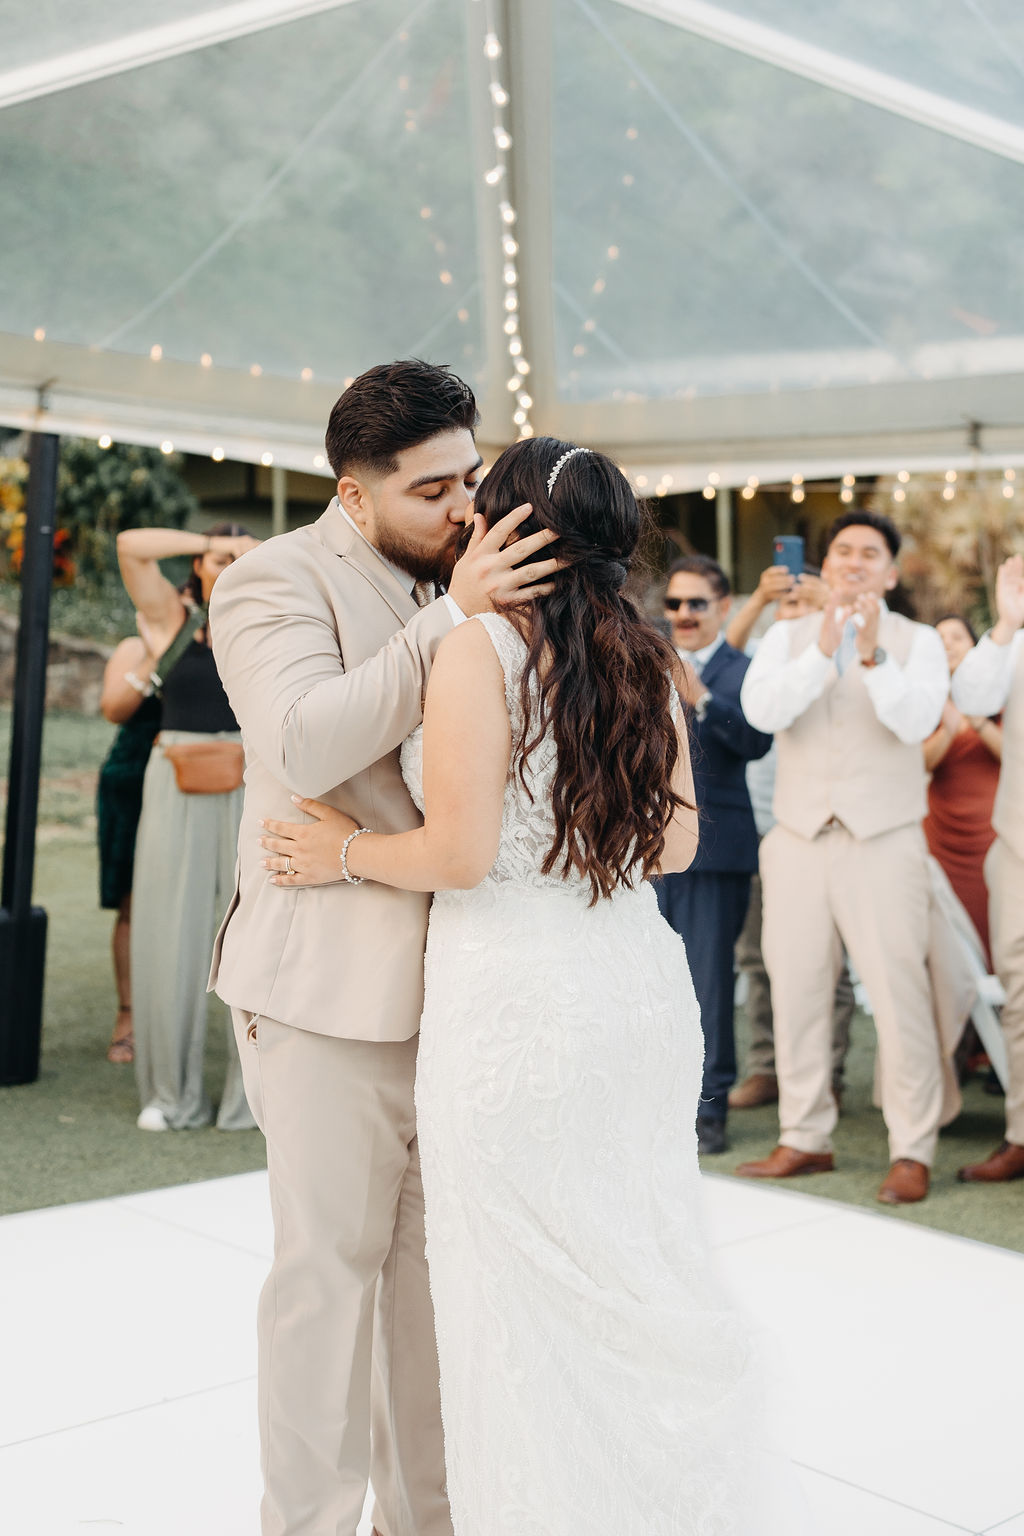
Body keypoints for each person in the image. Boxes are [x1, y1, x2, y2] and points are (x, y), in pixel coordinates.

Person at [256, 436, 799, 1535]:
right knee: (623, 1263)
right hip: (629, 989)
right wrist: (578, 829)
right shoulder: (648, 654)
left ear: (514, 530)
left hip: (511, 996)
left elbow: (458, 856)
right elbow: (681, 844)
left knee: (519, 1294)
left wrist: (340, 856)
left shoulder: (474, 651)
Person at [208, 361, 562, 1536]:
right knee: (326, 1287)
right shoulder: (274, 580)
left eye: (470, 476)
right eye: (431, 490)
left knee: (429, 1294)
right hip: (326, 1001)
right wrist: (458, 618)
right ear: (354, 497)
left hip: (472, 996)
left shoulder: (471, 574)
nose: (465, 507)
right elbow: (305, 747)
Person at [737, 512, 949, 1204]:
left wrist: (870, 654)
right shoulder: (787, 638)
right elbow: (761, 714)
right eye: (843, 552)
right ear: (824, 567)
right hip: (797, 838)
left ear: (890, 572)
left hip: (885, 838)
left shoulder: (919, 643)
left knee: (898, 997)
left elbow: (917, 723)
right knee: (796, 991)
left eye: (870, 553)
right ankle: (804, 1136)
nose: (854, 562)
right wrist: (821, 650)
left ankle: (912, 1147)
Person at [115, 521, 259, 1133]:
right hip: (176, 778)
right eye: (216, 558)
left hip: (257, 778)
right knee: (169, 929)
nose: (227, 566)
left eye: (240, 558)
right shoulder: (168, 619)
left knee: (255, 928)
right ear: (198, 564)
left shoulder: (271, 621)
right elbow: (130, 546)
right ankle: (170, 1094)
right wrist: (205, 542)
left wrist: (248, 557)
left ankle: (249, 1102)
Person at [724, 569, 856, 1110]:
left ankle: (833, 1072)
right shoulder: (767, 643)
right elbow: (723, 664)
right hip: (762, 823)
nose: (794, 597)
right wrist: (758, 600)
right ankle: (767, 1067)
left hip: (821, 822)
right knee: (762, 957)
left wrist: (832, 614)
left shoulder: (843, 640)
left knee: (834, 964)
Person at [654, 555, 772, 1154]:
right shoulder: (646, 660)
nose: (682, 615)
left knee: (706, 984)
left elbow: (754, 740)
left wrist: (698, 694)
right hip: (646, 852)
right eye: (674, 604)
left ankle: (708, 1108)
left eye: (696, 604)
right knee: (647, 980)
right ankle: (653, 1101)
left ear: (723, 608)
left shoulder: (745, 669)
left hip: (715, 853)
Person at [952, 554, 1024, 1183]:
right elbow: (973, 695)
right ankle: (1021, 1135)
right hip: (1018, 848)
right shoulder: (1013, 641)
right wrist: (1004, 623)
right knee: (1020, 1000)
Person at [96, 629, 162, 1063]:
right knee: (132, 904)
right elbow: (114, 710)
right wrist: (159, 654)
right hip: (131, 782)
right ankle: (129, 1016)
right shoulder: (137, 646)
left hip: (209, 779)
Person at [923, 614, 1001, 966]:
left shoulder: (1000, 696)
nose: (947, 643)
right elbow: (920, 763)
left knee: (999, 919)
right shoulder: (926, 702)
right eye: (939, 637)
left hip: (992, 833)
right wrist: (949, 730)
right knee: (952, 935)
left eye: (956, 636)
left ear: (974, 647)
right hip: (943, 838)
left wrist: (978, 722)